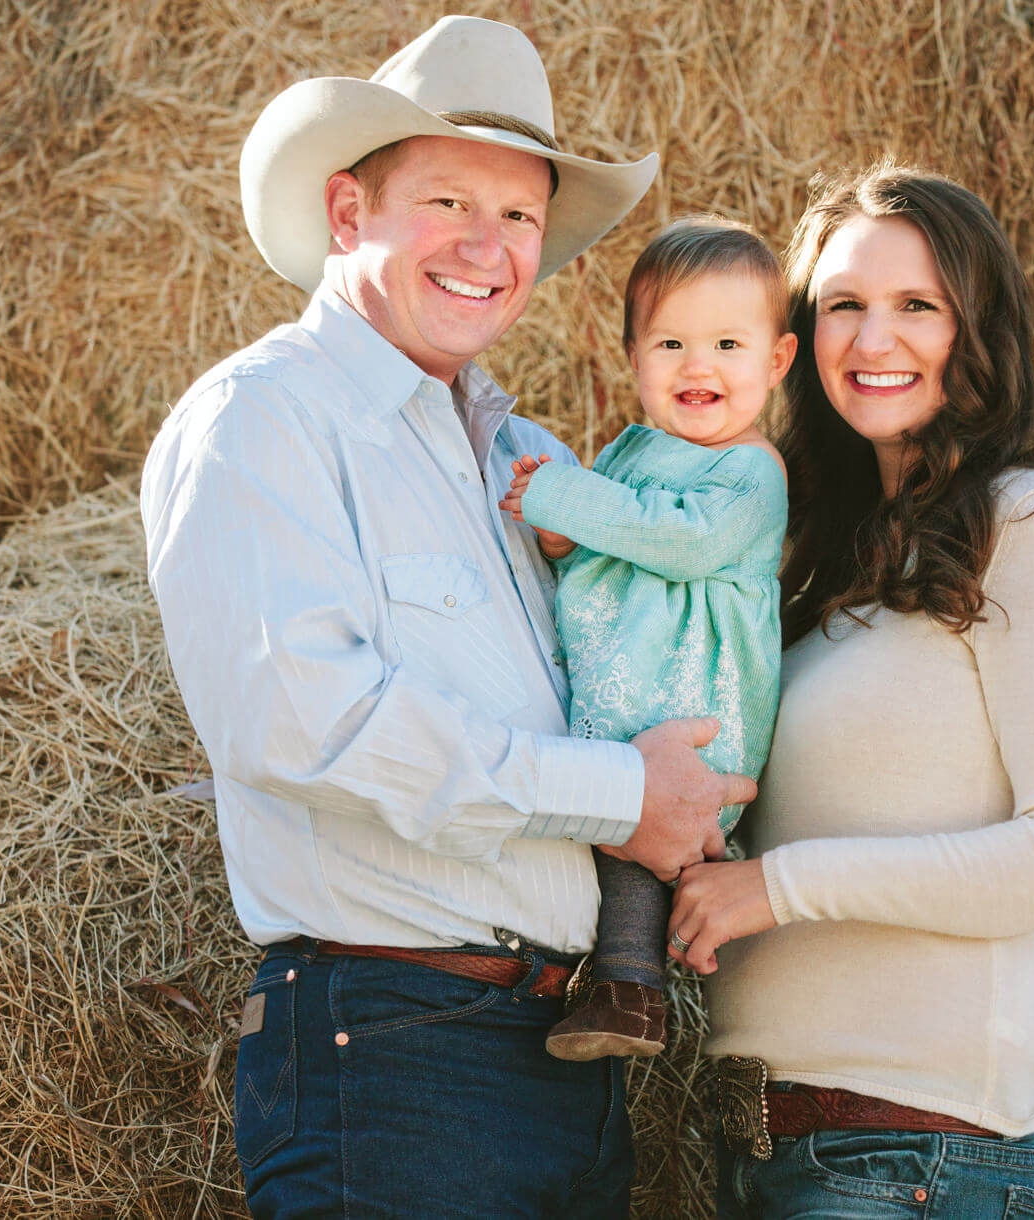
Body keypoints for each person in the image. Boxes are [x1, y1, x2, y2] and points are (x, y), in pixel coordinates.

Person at [139, 19, 754, 1219]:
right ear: (346, 210)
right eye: (448, 200)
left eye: (519, 216)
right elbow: (301, 718)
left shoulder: (505, 456)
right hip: (398, 1051)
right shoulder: (266, 418)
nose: (489, 246)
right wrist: (623, 795)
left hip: (557, 1054)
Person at [667, 164, 1034, 1218]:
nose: (872, 340)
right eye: (843, 305)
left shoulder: (1026, 518)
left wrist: (775, 887)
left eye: (915, 305)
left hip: (912, 1161)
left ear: (978, 328)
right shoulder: (821, 559)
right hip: (769, 1151)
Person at [497, 217, 793, 1060]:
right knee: (602, 829)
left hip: (690, 702)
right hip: (622, 686)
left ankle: (631, 994)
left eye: (729, 344)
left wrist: (564, 501)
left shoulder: (751, 472)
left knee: (640, 840)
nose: (698, 366)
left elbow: (680, 539)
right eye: (669, 343)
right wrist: (561, 538)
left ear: (776, 361)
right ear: (632, 357)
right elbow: (610, 541)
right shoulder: (630, 454)